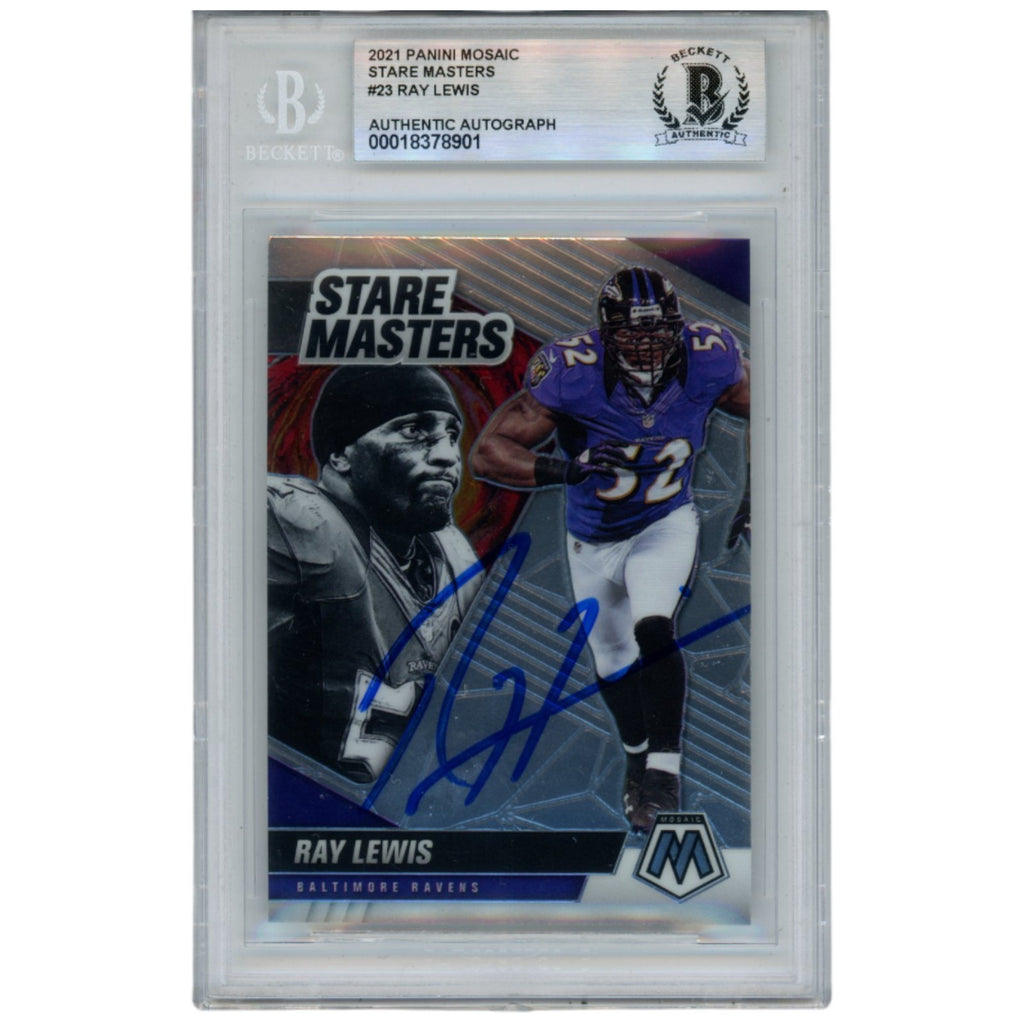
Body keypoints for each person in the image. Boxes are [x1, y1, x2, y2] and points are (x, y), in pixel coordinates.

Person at [471, 267, 749, 832]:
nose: (647, 345)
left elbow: (777, 409)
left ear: (678, 327)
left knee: (655, 628)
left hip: (666, 522)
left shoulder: (711, 358)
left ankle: (663, 775)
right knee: (613, 659)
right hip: (592, 537)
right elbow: (488, 452)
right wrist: (561, 469)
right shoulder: (571, 372)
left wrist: (758, 488)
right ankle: (636, 754)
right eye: (632, 333)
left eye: (658, 331)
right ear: (605, 334)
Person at [268, 365, 481, 784]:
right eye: (414, 431)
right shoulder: (298, 520)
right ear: (341, 454)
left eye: (451, 435)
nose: (447, 455)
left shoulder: (454, 556)